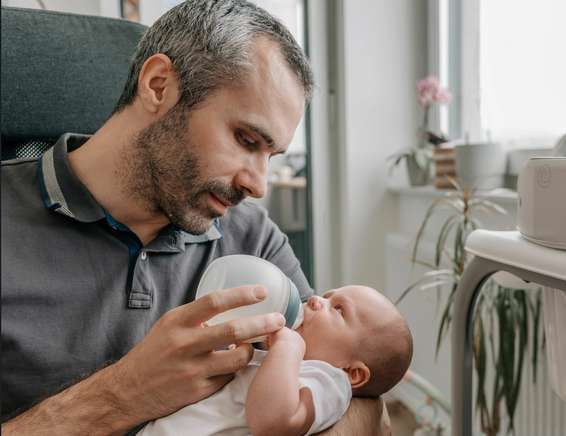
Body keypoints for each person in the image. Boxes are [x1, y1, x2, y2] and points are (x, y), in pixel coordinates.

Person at [1, 1, 387, 434]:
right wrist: (120, 397)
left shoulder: (252, 235)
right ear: (159, 85)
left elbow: (359, 400)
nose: (258, 186)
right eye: (245, 139)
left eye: (271, 155)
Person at [138, 285, 413, 435]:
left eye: (338, 309)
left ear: (353, 374)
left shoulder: (329, 383)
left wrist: (288, 348)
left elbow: (272, 422)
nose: (316, 299)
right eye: (327, 295)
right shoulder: (286, 360)